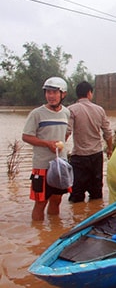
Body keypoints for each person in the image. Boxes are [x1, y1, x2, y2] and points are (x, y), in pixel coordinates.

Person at [22, 77, 71, 221]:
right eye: (48, 92)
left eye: (55, 92)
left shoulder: (66, 113)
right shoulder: (36, 114)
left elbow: (67, 133)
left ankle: (53, 232)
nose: (51, 96)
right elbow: (26, 136)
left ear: (63, 94)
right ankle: (39, 235)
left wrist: (59, 144)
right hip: (42, 166)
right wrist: (47, 143)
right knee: (40, 202)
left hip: (60, 165)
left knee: (57, 200)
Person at [66, 81, 113, 203]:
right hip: (96, 156)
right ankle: (96, 216)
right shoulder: (99, 110)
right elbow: (108, 132)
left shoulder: (71, 110)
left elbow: (67, 131)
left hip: (79, 157)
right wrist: (110, 149)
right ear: (89, 93)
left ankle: (76, 219)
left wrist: (58, 149)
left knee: (76, 195)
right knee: (96, 193)